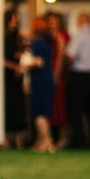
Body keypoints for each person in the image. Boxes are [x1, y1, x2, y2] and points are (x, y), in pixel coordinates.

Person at [66, 12, 90, 148]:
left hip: (80, 74)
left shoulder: (79, 35)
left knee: (76, 108)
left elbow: (71, 55)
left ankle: (79, 140)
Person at [28, 17, 56, 153]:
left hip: (39, 80)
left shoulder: (37, 43)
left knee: (39, 112)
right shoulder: (47, 42)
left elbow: (38, 62)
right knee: (44, 111)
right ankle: (41, 142)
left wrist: (25, 62)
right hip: (47, 79)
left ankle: (47, 140)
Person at [46, 12, 70, 147]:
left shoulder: (61, 37)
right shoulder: (47, 38)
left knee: (60, 105)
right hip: (48, 72)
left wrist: (56, 73)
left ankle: (62, 138)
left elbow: (61, 57)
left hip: (57, 74)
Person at [4, 9, 27, 148]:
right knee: (7, 105)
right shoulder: (1, 37)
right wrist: (14, 66)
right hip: (5, 76)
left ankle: (18, 140)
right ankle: (6, 139)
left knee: (18, 107)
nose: (14, 23)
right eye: (12, 20)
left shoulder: (16, 37)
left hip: (16, 78)